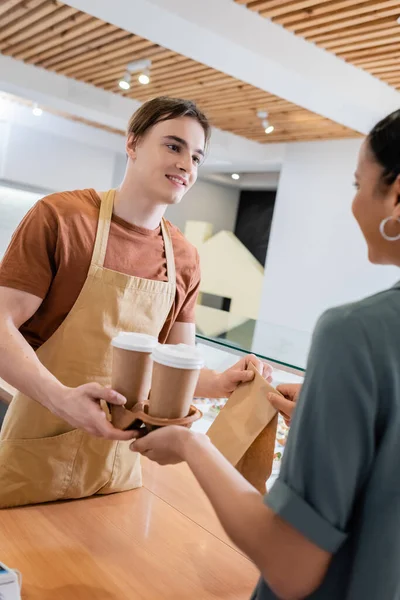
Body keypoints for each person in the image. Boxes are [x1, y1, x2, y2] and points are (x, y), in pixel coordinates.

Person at [130, 109, 400, 600]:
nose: (355, 203)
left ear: (397, 194)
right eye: (173, 146)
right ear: (133, 145)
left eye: (359, 183)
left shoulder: (354, 333)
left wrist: (192, 445)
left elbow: (290, 566)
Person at [0, 96, 271, 509]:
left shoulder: (185, 258)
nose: (186, 165)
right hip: (37, 448)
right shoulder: (61, 218)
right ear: (132, 143)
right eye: (173, 146)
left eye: (196, 157)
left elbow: (175, 364)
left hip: (120, 468)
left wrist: (219, 383)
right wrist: (61, 399)